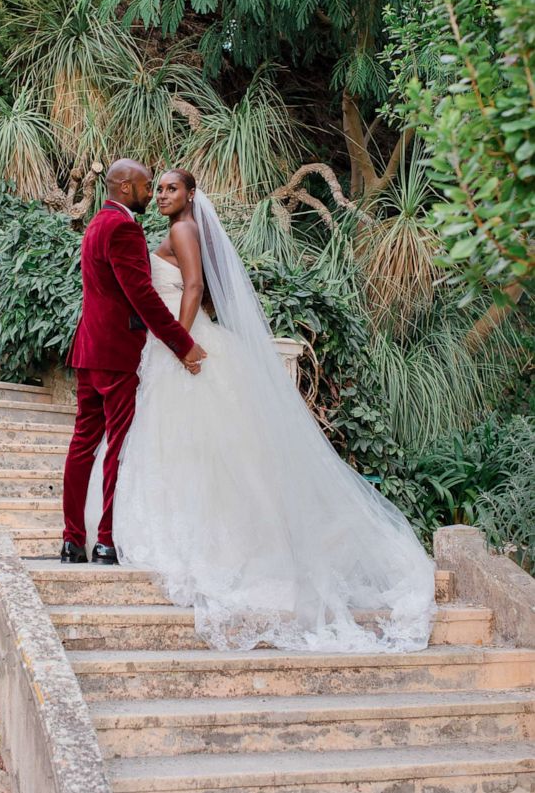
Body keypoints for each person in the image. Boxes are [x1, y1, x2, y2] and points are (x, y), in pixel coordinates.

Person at [85, 168, 437, 652]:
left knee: (194, 446)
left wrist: (177, 345)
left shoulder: (183, 229)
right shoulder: (176, 229)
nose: (163, 195)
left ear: (191, 195)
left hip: (182, 345)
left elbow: (191, 289)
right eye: (159, 188)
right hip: (173, 341)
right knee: (189, 447)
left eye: (172, 188)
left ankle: (210, 543)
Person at [61, 159, 206, 566]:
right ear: (124, 187)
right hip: (118, 355)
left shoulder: (95, 225)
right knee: (119, 447)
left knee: (83, 445)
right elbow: (141, 294)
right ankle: (106, 539)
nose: (151, 193)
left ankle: (73, 541)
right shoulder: (124, 228)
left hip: (89, 351)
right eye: (146, 186)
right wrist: (183, 344)